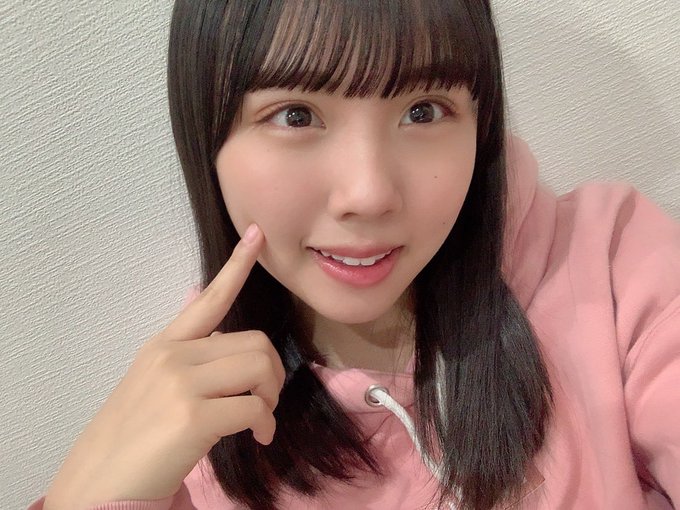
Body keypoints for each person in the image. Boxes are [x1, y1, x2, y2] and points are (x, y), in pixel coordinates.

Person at [30, 1, 679, 509]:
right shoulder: (195, 424)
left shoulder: (615, 268)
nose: (368, 194)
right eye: (295, 115)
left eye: (423, 111)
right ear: (208, 141)